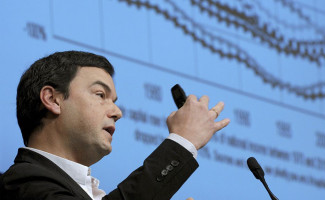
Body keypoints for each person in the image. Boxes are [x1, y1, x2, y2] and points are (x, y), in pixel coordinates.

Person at [0, 51, 230, 200]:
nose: (117, 112)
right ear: (52, 99)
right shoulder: (21, 183)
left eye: (114, 101)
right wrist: (183, 141)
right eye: (100, 94)